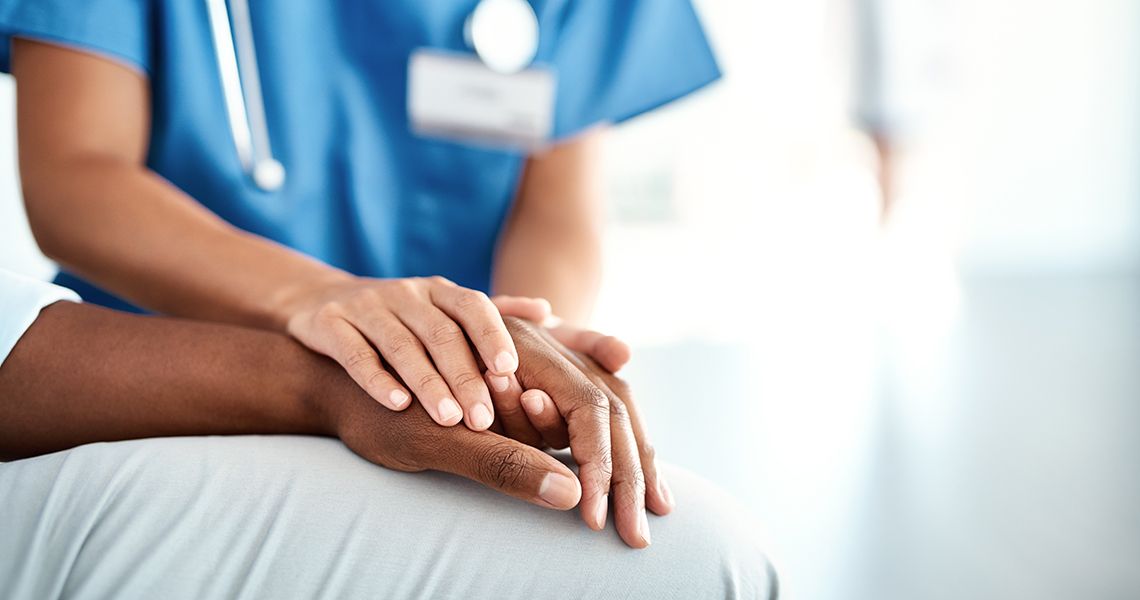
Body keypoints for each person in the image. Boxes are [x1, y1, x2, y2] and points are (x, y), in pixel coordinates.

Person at [1, 0, 721, 540]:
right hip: (163, 403)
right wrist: (325, 300)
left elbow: (555, 208)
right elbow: (77, 180)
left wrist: (512, 350)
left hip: (446, 416)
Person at [0, 269, 777, 598]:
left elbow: (557, 181)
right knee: (694, 562)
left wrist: (510, 349)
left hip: (411, 361)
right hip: (169, 370)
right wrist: (332, 366)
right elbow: (80, 177)